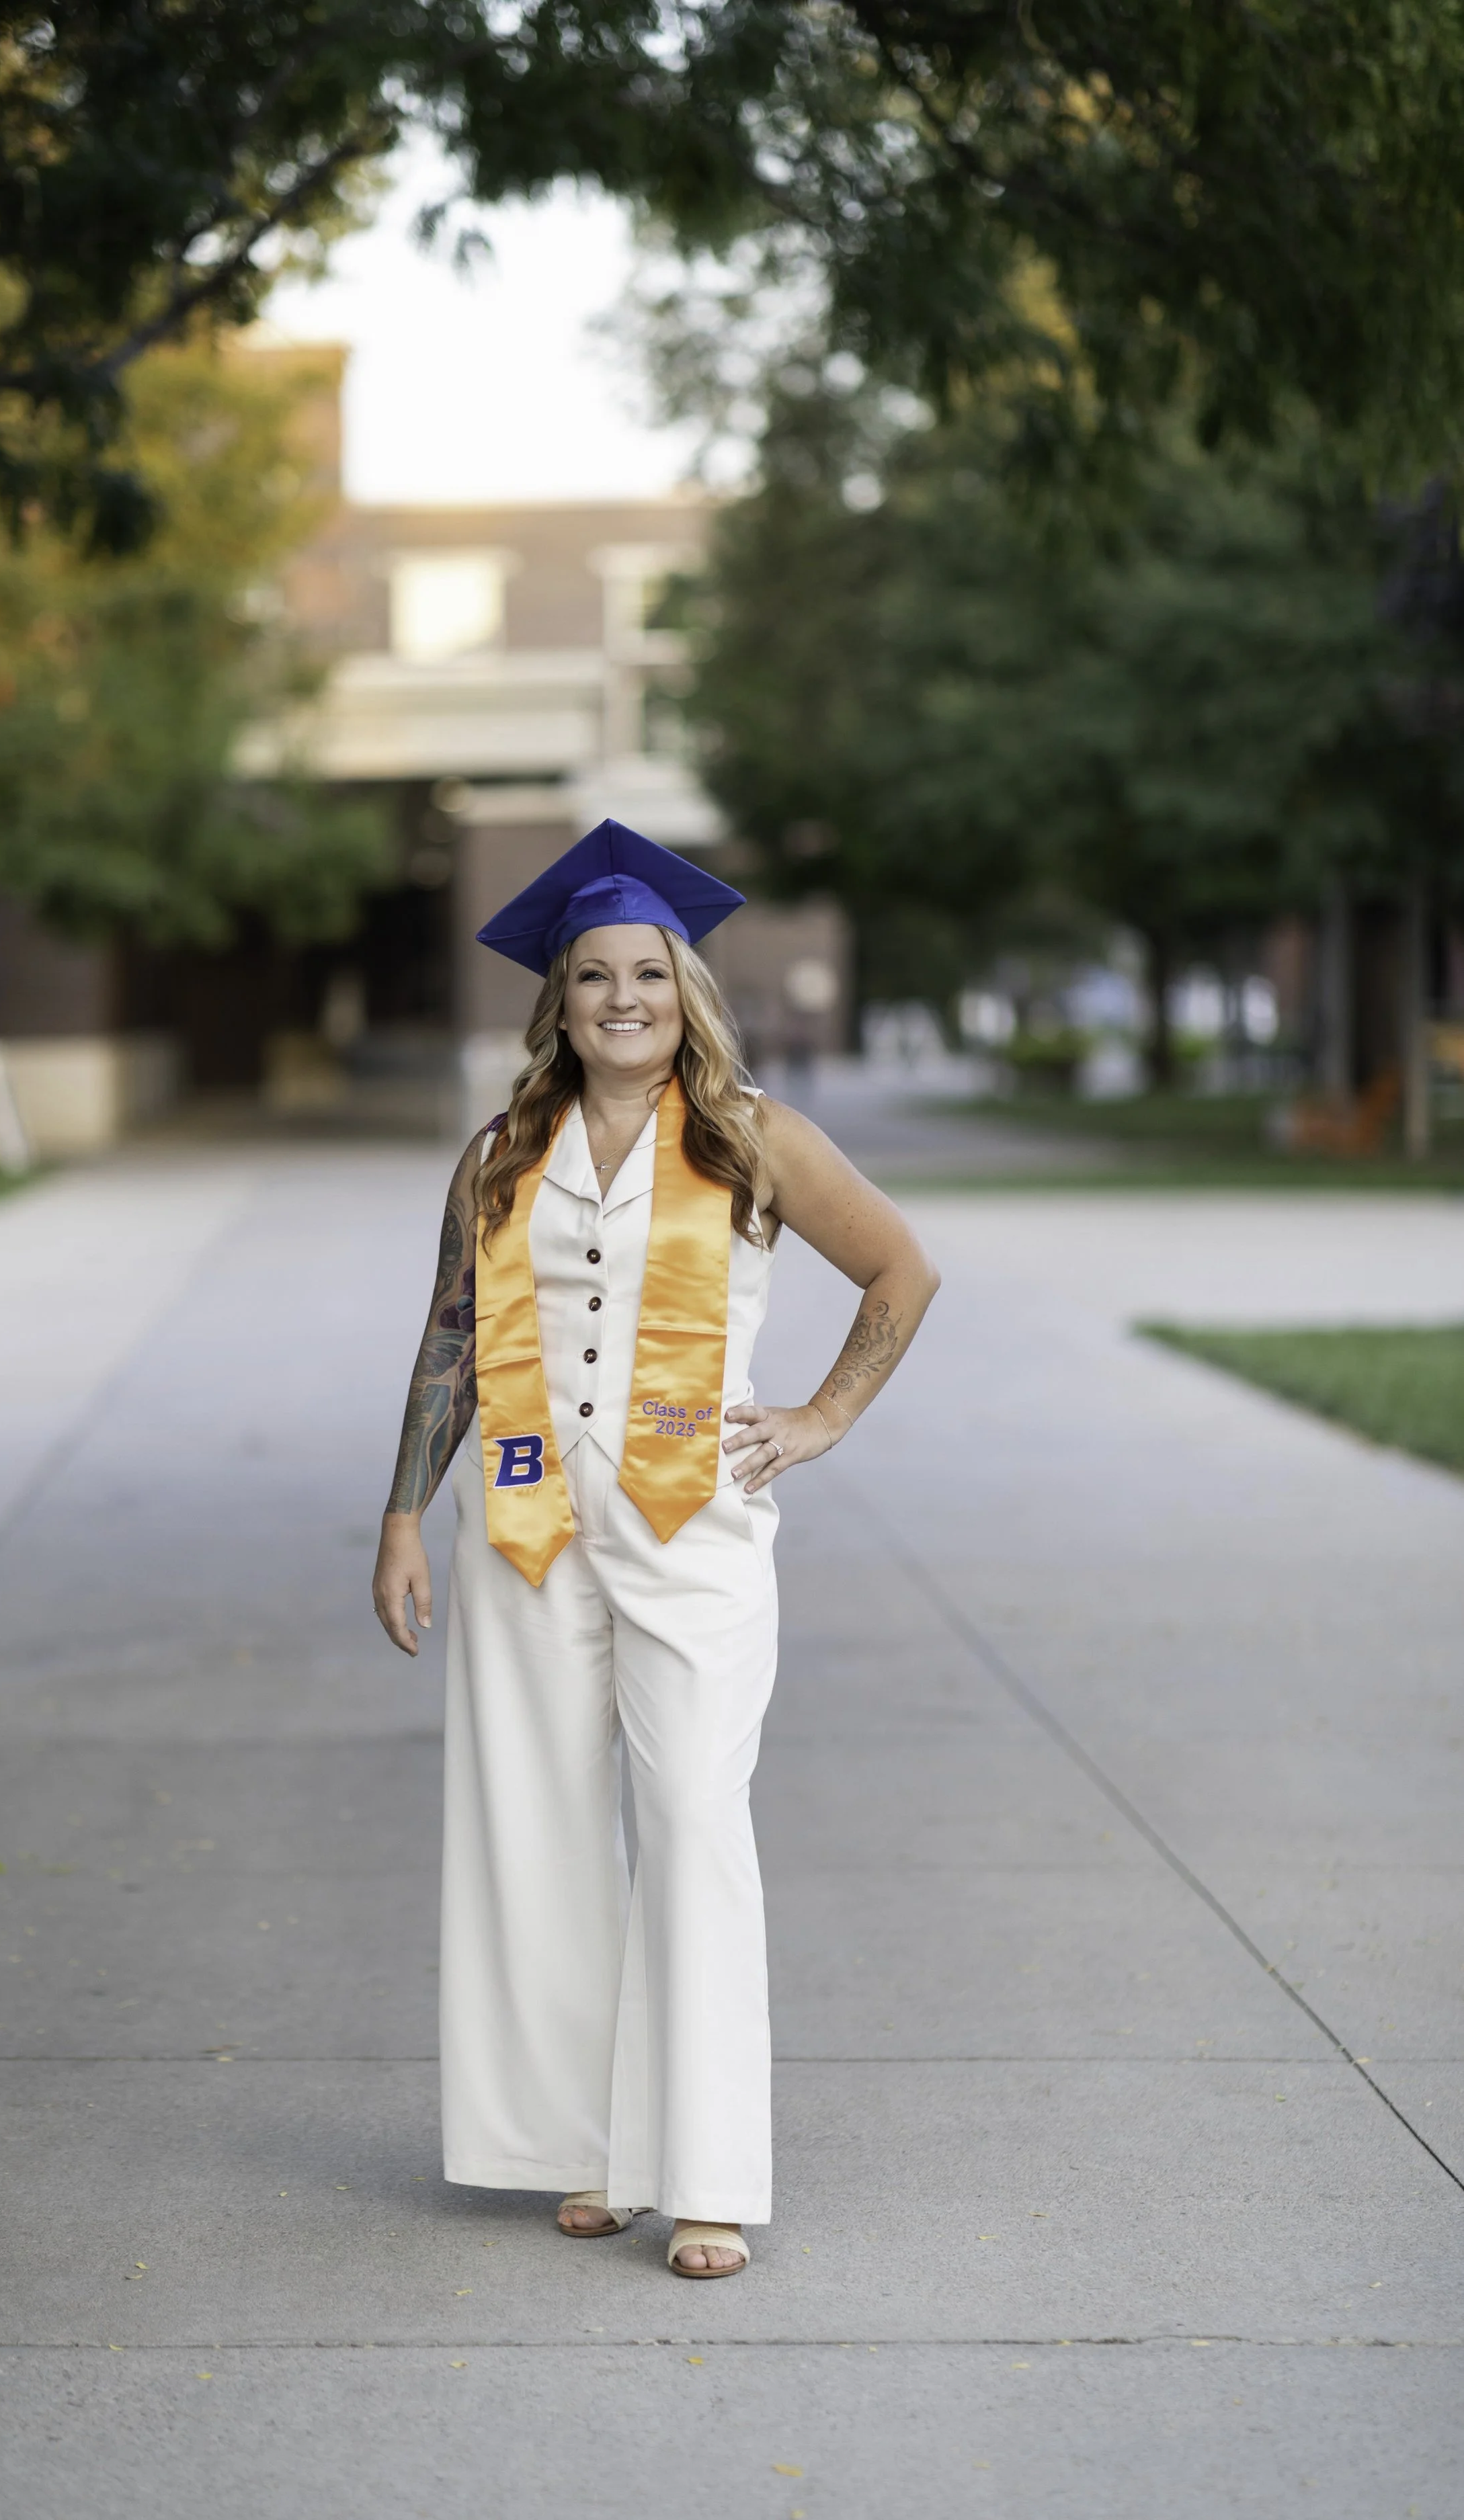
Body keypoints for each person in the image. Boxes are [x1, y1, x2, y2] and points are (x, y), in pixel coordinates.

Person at [372, 821, 939, 2279]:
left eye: (645, 973)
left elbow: (900, 1266)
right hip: (524, 1529)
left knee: (689, 1816)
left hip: (694, 1532)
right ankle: (583, 2146)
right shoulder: (501, 1154)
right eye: (592, 976)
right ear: (557, 1002)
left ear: (684, 990)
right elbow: (451, 1335)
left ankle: (703, 2176)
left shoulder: (750, 1135)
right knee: (539, 1831)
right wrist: (402, 1516)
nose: (620, 998)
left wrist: (822, 1414)